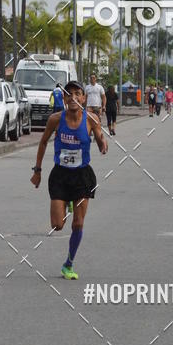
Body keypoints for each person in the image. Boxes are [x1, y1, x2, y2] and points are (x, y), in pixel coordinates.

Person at [31, 80, 108, 279]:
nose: (73, 97)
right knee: (57, 225)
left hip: (82, 176)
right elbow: (42, 143)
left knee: (78, 224)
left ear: (83, 98)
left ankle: (68, 263)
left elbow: (101, 143)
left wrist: (102, 143)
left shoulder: (92, 119)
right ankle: (68, 204)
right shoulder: (55, 119)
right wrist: (37, 170)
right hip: (60, 175)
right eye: (69, 94)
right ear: (64, 99)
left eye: (77, 93)